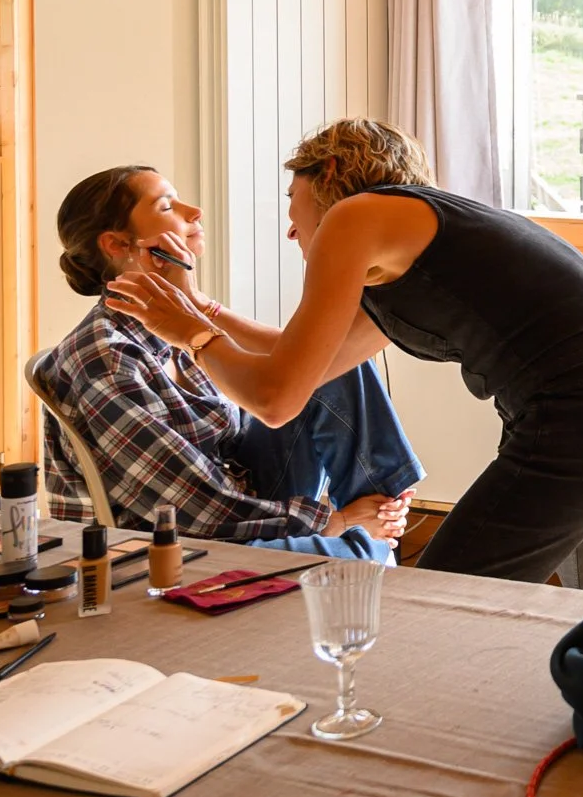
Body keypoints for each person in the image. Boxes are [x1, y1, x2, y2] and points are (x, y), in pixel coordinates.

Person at [104, 120, 583, 594]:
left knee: (440, 605)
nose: (291, 229)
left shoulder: (356, 217)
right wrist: (200, 309)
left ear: (328, 173)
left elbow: (276, 401)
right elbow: (297, 359)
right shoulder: (417, 244)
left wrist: (191, 335)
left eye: (292, 202)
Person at [40, 167, 420, 559]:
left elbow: (285, 369)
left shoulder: (173, 325)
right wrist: (332, 521)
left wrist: (198, 307)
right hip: (177, 547)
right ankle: (369, 540)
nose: (195, 211)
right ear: (118, 244)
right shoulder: (105, 360)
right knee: (357, 559)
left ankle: (380, 520)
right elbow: (192, 507)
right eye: (168, 205)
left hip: (239, 503)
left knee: (334, 363)